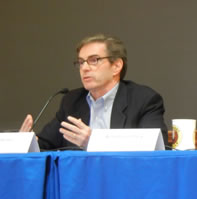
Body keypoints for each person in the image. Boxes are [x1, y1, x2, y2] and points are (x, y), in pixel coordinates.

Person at [19, 33, 168, 150]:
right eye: (81, 62)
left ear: (116, 66)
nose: (84, 68)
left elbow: (155, 149)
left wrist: (93, 142)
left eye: (94, 60)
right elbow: (46, 143)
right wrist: (28, 142)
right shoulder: (72, 101)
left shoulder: (143, 100)